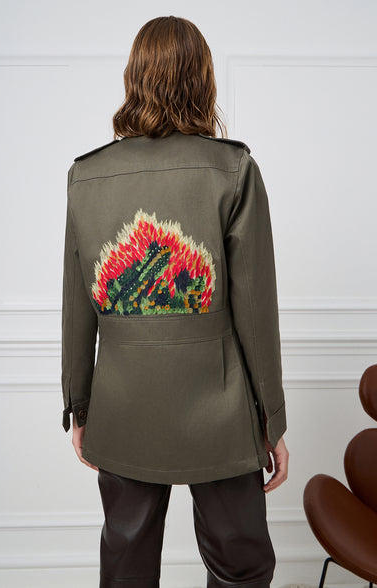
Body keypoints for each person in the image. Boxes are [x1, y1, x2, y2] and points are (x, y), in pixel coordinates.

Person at [61, 15, 289, 588]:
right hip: (221, 407)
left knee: (126, 563)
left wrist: (80, 406)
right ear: (202, 79)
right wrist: (273, 419)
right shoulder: (233, 169)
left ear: (134, 77)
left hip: (123, 404)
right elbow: (255, 312)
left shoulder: (87, 176)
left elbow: (77, 305)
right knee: (241, 565)